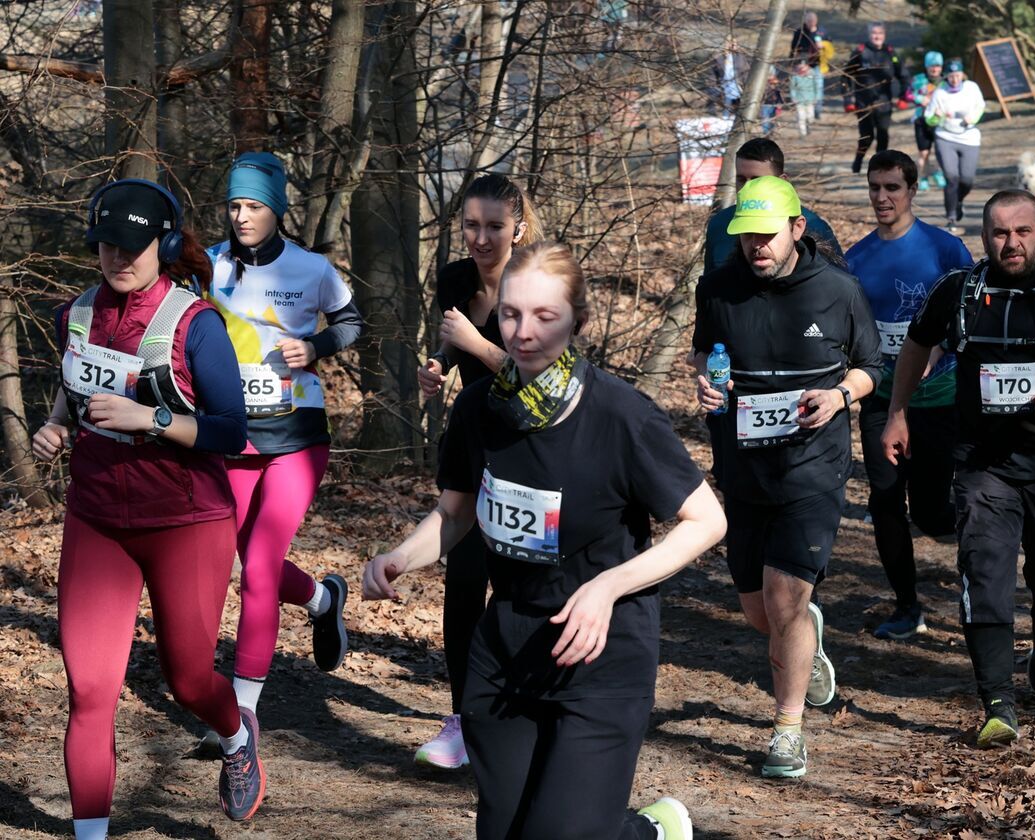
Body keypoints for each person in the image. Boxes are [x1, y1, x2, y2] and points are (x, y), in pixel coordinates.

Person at [364, 241, 725, 840]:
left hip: (601, 653)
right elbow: (455, 513)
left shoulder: (622, 415)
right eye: (510, 314)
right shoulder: (478, 408)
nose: (522, 332)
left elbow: (707, 521)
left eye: (544, 316)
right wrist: (401, 557)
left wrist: (608, 587)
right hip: (507, 650)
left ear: (577, 321)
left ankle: (649, 832)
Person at [32, 178, 264, 838]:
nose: (117, 258)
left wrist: (151, 418)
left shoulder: (196, 324)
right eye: (106, 245)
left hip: (186, 523)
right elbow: (75, 381)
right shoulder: (75, 314)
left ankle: (236, 735)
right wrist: (56, 426)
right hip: (97, 519)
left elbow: (230, 431)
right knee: (89, 691)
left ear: (161, 246)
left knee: (188, 681)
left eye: (131, 247)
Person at [881, 189, 1035, 747]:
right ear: (984, 237)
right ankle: (997, 702)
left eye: (1021, 232)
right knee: (984, 570)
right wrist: (898, 413)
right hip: (983, 463)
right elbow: (916, 345)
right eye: (999, 233)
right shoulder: (960, 290)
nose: (1010, 243)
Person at [691, 176, 882, 777]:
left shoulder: (839, 290)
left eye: (767, 235)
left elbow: (871, 364)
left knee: (782, 599)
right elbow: (704, 351)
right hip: (744, 468)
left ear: (797, 229)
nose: (756, 246)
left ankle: (788, 731)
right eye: (746, 236)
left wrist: (840, 396)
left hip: (813, 468)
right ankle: (804, 632)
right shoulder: (717, 288)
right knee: (760, 613)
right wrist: (707, 383)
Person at [202, 152, 360, 738]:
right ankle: (322, 600)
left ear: (277, 210)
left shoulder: (311, 269)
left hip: (297, 436)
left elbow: (352, 323)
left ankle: (240, 715)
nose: (241, 216)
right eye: (234, 205)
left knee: (260, 569)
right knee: (241, 561)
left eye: (254, 206)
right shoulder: (208, 266)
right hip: (232, 437)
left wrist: (315, 347)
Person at [414, 173, 543, 769]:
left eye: (494, 226)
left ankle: (531, 715)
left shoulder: (538, 282)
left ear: (518, 227)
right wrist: (438, 364)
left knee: (524, 589)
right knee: (463, 582)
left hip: (534, 451)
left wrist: (476, 343)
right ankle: (464, 719)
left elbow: (543, 379)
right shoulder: (454, 280)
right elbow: (450, 343)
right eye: (471, 225)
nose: (481, 238)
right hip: (473, 448)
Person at [846, 150, 973, 640]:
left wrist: (937, 349)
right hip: (882, 398)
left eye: (892, 188)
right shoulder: (856, 259)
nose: (882, 197)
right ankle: (906, 605)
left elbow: (970, 314)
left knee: (930, 510)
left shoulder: (945, 250)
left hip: (939, 399)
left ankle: (982, 562)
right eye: (875, 187)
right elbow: (852, 331)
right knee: (884, 500)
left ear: (912, 190)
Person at [703, 138, 844, 275]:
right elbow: (711, 285)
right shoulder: (719, 225)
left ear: (783, 181)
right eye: (741, 179)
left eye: (757, 180)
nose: (747, 187)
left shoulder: (815, 227)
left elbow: (837, 283)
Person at [925, 58, 985, 235]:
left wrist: (972, 118)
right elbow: (929, 118)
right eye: (951, 76)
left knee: (967, 180)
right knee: (951, 177)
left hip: (969, 138)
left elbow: (980, 106)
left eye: (957, 75)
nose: (954, 79)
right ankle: (951, 217)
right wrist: (936, 116)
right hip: (945, 137)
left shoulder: (972, 88)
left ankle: (957, 201)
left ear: (962, 74)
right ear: (946, 76)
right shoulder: (940, 92)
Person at [841, 22, 905, 174]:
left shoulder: (891, 53)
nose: (877, 36)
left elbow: (904, 76)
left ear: (884, 35)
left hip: (884, 103)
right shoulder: (860, 52)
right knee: (866, 137)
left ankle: (879, 167)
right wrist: (848, 99)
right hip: (863, 103)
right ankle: (858, 160)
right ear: (869, 35)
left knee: (883, 134)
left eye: (880, 33)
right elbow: (845, 77)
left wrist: (903, 97)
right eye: (874, 33)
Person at [907, 51, 947, 190]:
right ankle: (923, 177)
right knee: (924, 152)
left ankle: (938, 172)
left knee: (941, 151)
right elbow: (907, 94)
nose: (935, 69)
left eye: (938, 66)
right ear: (926, 66)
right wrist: (920, 99)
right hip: (921, 120)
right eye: (931, 66)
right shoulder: (918, 79)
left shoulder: (946, 81)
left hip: (940, 121)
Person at [791, 11, 825, 117]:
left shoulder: (821, 32)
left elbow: (829, 46)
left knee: (818, 86)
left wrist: (822, 46)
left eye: (813, 21)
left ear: (816, 21)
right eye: (809, 21)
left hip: (816, 64)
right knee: (802, 86)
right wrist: (793, 62)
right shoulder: (799, 32)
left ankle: (817, 110)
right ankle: (802, 106)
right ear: (805, 21)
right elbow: (793, 48)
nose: (811, 23)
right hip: (802, 65)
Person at [712, 36, 748, 118]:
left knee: (740, 110)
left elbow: (746, 72)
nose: (732, 45)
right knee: (726, 108)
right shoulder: (719, 57)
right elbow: (713, 74)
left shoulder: (741, 57)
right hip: (724, 87)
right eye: (729, 43)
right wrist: (715, 86)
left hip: (739, 86)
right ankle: (725, 118)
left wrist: (746, 85)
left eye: (734, 43)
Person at [790, 59, 819, 138]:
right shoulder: (795, 76)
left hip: (810, 99)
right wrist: (793, 98)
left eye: (804, 66)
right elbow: (792, 88)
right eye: (800, 66)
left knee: (810, 117)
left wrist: (816, 97)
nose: (802, 68)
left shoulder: (812, 75)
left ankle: (808, 126)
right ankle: (802, 133)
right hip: (799, 100)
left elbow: (816, 87)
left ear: (807, 66)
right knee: (801, 117)